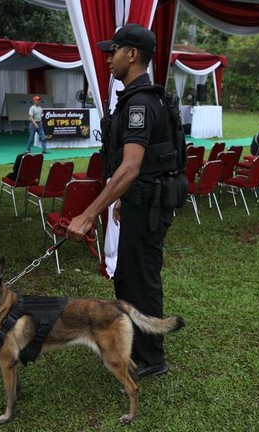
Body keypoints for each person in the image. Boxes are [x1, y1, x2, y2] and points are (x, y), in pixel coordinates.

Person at [66, 23, 184, 380]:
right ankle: (137, 348)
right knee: (128, 278)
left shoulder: (140, 104)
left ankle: (152, 357)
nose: (107, 58)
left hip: (149, 206)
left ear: (132, 54)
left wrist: (88, 214)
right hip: (140, 202)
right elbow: (139, 167)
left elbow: (130, 166)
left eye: (113, 50)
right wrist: (121, 201)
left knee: (141, 280)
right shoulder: (137, 99)